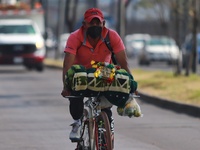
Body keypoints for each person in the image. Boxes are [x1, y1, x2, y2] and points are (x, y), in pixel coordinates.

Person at [61, 8, 133, 141]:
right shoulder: (75, 37)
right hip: (81, 73)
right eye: (91, 23)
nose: (95, 26)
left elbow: (124, 63)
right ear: (84, 24)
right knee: (75, 91)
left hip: (102, 72)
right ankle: (77, 123)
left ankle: (107, 123)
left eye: (97, 23)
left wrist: (131, 85)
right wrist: (66, 87)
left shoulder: (112, 36)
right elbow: (67, 65)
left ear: (103, 24)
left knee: (109, 95)